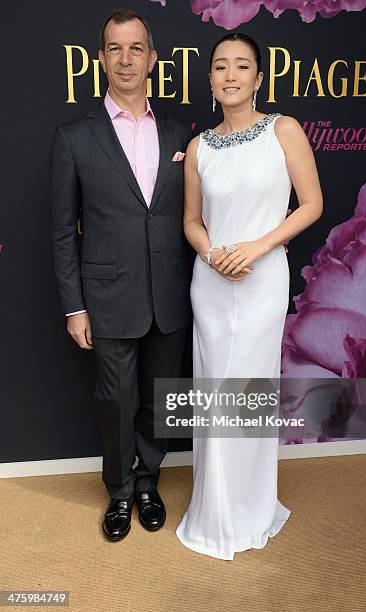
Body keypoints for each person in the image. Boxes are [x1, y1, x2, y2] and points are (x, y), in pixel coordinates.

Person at [176, 33, 323, 560]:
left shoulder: (284, 130)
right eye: (220, 66)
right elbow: (192, 223)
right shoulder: (198, 148)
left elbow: (311, 205)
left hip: (263, 279)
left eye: (242, 66)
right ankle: (214, 512)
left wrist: (258, 247)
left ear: (259, 78)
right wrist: (213, 253)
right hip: (212, 283)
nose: (231, 74)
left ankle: (253, 508)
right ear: (210, 79)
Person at [51, 10, 193, 541]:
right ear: (102, 59)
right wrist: (74, 306)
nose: (126, 58)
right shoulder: (73, 136)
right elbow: (64, 230)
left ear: (153, 58)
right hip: (106, 295)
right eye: (115, 48)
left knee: (160, 396)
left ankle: (149, 482)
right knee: (117, 398)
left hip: (171, 293)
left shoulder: (183, 132)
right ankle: (119, 490)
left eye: (137, 48)